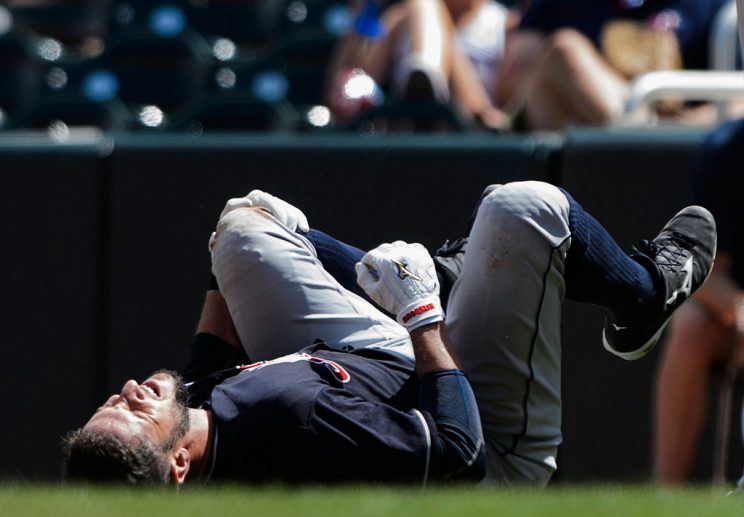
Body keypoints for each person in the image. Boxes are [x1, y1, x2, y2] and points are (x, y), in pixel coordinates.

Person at [63, 181, 716, 486]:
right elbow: (460, 453)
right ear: (178, 465)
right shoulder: (297, 421)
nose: (127, 391)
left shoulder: (205, 418)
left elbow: (209, 360)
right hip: (483, 429)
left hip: (375, 363)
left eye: (111, 401)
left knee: (245, 229)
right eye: (133, 415)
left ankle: (444, 275)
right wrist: (422, 312)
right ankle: (645, 294)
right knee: (523, 209)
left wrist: (229, 255)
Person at [653, 117, 744, 485]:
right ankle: (664, 493)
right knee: (691, 327)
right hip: (737, 317)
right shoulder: (728, 150)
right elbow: (703, 268)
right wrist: (738, 308)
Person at [497, 0, 733, 130]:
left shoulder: (715, 7)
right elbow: (512, 89)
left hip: (681, 151)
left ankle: (641, 137)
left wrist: (679, 129)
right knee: (566, 49)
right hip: (577, 155)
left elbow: (738, 100)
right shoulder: (559, 6)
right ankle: (637, 134)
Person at [325, 0, 518, 129]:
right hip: (412, 134)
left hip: (472, 128)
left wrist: (445, 36)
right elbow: (350, 89)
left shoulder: (504, 22)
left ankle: (430, 85)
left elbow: (498, 114)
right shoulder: (404, 16)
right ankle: (424, 91)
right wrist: (365, 9)